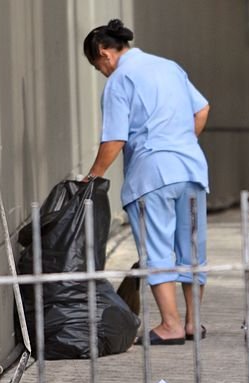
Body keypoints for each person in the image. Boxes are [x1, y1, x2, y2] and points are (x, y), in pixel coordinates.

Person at [82, 19, 211, 346]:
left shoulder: (120, 80)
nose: (102, 72)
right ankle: (194, 323)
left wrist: (91, 177)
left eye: (98, 66)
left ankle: (170, 326)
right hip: (192, 169)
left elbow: (114, 139)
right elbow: (202, 109)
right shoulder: (169, 67)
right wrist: (180, 142)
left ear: (104, 53)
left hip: (152, 175)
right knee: (191, 248)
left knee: (157, 250)